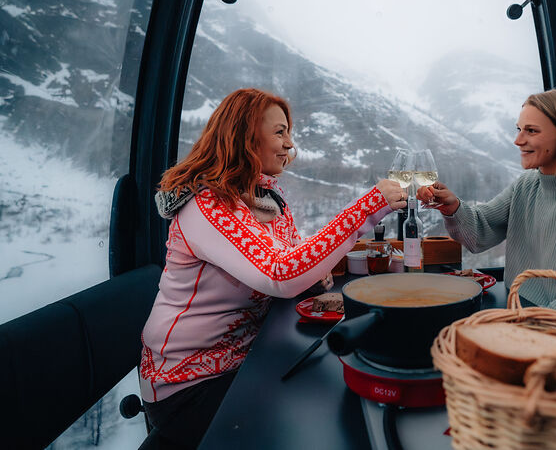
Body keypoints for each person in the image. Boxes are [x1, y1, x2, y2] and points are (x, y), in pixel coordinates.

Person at [139, 88, 407, 448]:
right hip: (189, 381)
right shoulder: (207, 205)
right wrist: (366, 208)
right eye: (279, 132)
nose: (289, 145)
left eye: (288, 133)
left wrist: (311, 273)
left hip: (245, 357)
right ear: (245, 136)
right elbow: (281, 274)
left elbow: (292, 260)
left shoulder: (266, 200)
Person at [418, 88, 556, 326]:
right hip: (523, 315)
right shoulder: (527, 185)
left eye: (531, 131)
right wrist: (454, 208)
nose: (518, 140)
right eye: (519, 129)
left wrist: (515, 334)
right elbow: (480, 233)